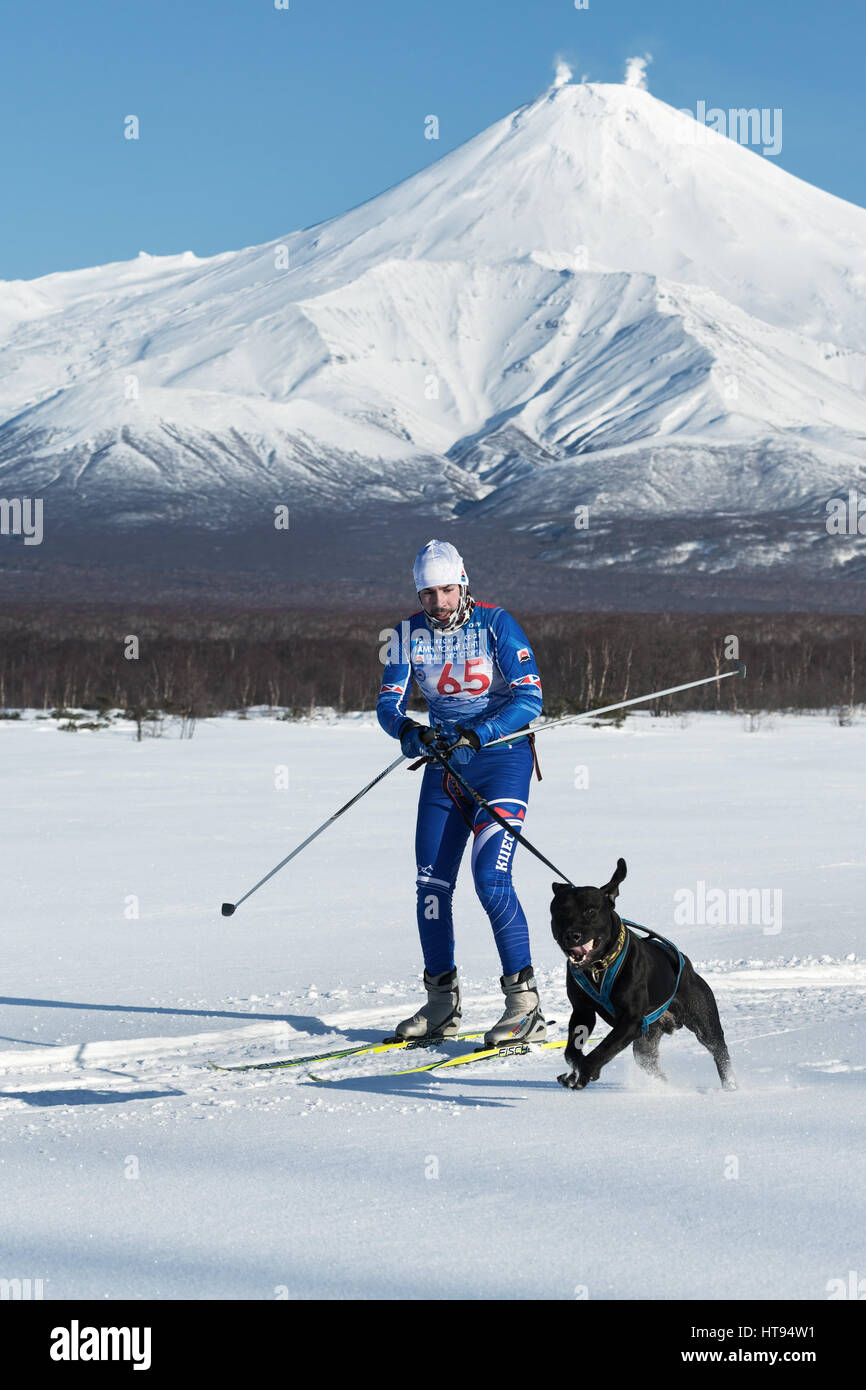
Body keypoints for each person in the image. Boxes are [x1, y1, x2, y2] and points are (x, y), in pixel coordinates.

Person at [377, 539, 546, 1047]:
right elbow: (388, 704)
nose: (439, 603)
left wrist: (480, 735)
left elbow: (529, 696)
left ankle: (525, 1004)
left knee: (490, 880)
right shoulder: (404, 635)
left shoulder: (497, 624)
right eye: (428, 593)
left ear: (463, 584)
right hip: (444, 767)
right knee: (431, 884)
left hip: (500, 762)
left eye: (447, 590)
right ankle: (441, 1003)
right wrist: (410, 732)